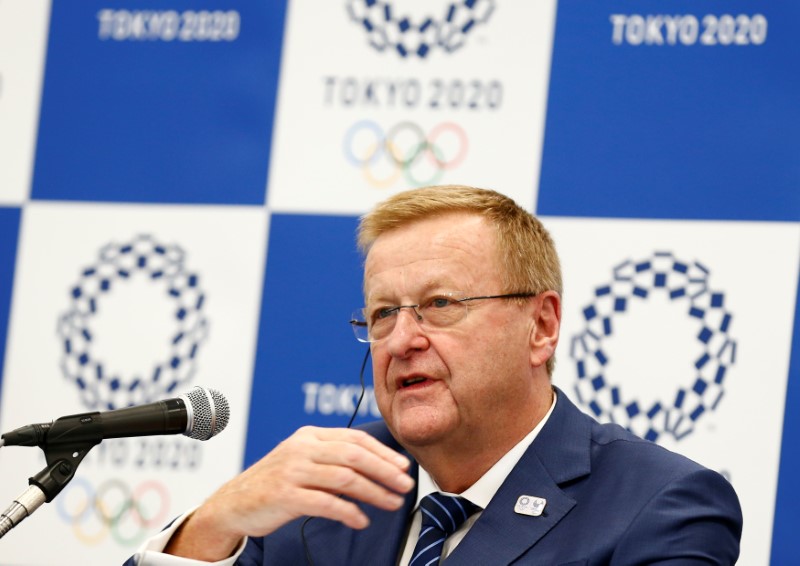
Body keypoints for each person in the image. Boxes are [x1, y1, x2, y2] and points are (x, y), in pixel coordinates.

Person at [128, 185, 742, 565]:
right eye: (383, 313)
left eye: (441, 305)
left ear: (541, 326)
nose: (402, 339)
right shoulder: (328, 485)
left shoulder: (660, 505)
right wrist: (213, 525)